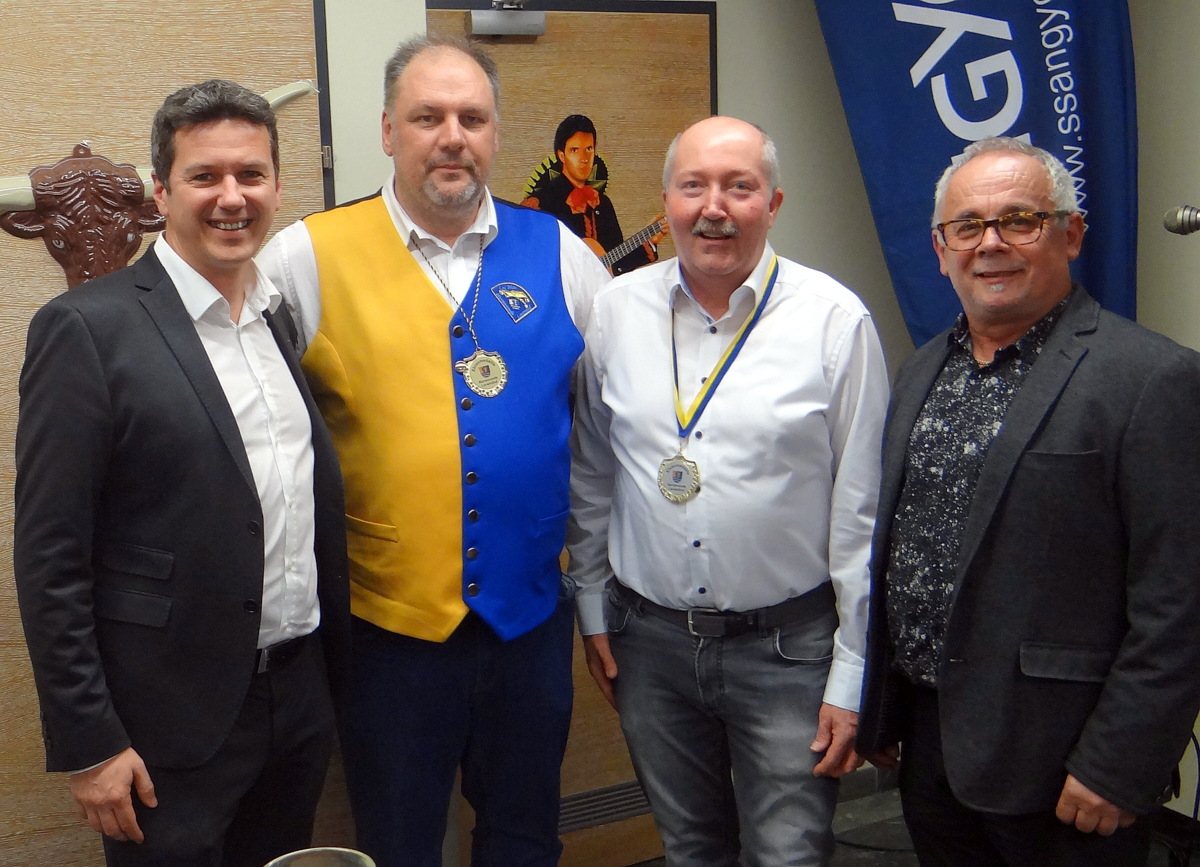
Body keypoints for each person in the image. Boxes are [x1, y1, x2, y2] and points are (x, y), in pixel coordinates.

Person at [257, 35, 610, 867]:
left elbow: (603, 435)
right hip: (387, 634)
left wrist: (597, 592)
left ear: (495, 134)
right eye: (427, 117)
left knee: (525, 839)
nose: (452, 137)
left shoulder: (563, 253)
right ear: (388, 130)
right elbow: (256, 429)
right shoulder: (305, 257)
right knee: (399, 842)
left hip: (529, 624)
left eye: (472, 118)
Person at [13, 79, 349, 867]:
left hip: (297, 700)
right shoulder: (86, 328)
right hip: (167, 724)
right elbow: (51, 555)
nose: (232, 197)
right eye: (205, 176)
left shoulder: (276, 316)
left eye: (252, 174)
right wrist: (90, 741)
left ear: (277, 187)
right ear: (161, 193)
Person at [856, 136, 1200, 867]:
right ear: (941, 249)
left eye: (1020, 220)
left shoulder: (1152, 379)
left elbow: (1181, 600)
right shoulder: (921, 370)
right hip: (931, 742)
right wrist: (884, 704)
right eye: (967, 226)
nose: (991, 243)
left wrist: (1119, 762)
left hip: (1064, 761)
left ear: (1070, 234)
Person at [567, 115, 890, 866]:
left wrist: (853, 671)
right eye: (694, 186)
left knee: (788, 854)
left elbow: (863, 513)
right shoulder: (614, 311)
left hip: (789, 650)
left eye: (739, 187)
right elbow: (593, 470)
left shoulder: (834, 322)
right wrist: (591, 606)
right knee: (690, 849)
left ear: (772, 204)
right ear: (666, 203)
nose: (714, 207)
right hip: (649, 644)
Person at [521, 113, 662, 275]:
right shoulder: (540, 204)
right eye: (575, 150)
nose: (584, 158)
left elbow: (615, 264)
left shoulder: (603, 203)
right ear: (562, 155)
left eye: (589, 149)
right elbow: (525, 257)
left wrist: (649, 243)